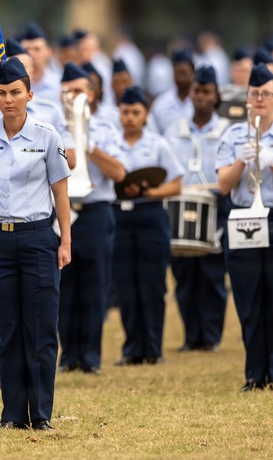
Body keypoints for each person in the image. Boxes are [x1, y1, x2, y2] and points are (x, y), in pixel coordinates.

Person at [0, 56, 71, 430]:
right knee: (6, 330)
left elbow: (61, 193)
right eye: (2, 93)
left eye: (16, 92)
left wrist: (65, 241)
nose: (8, 100)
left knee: (40, 330)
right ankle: (11, 414)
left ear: (29, 94)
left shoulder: (47, 136)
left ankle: (40, 414)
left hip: (38, 237)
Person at [216, 63, 273, 391]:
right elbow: (223, 186)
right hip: (243, 217)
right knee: (249, 299)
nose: (259, 99)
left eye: (266, 94)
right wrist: (241, 160)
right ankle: (255, 375)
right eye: (254, 93)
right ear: (247, 98)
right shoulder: (232, 136)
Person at [56, 63, 126, 375]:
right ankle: (68, 355)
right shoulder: (50, 128)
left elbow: (119, 173)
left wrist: (90, 146)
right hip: (63, 211)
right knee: (64, 286)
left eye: (78, 91)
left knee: (95, 286)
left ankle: (91, 356)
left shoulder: (106, 129)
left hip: (96, 211)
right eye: (67, 92)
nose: (73, 97)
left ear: (92, 95)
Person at [112, 86, 184, 365]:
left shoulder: (158, 144)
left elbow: (176, 184)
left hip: (150, 216)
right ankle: (131, 349)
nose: (130, 117)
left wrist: (149, 192)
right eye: (125, 112)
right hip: (120, 216)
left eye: (136, 112)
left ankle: (153, 349)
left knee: (152, 284)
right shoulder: (111, 144)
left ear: (145, 115)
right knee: (125, 284)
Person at [164, 66, 231, 353]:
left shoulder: (226, 130)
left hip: (214, 205)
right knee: (184, 272)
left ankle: (211, 336)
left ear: (216, 96)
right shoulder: (174, 130)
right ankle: (192, 335)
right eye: (197, 91)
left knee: (212, 273)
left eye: (206, 91)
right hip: (180, 205)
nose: (200, 96)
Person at [148, 49, 195, 135]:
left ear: (192, 72)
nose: (182, 78)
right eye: (179, 73)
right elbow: (152, 133)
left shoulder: (199, 102)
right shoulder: (161, 103)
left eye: (184, 73)